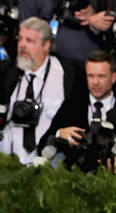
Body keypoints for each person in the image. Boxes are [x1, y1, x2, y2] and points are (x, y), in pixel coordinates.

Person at [0, 17, 69, 165]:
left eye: (29, 41)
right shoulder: (7, 73)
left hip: (48, 166)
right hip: (7, 164)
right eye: (20, 40)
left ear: (46, 45)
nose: (22, 45)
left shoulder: (66, 75)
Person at [44, 49, 116, 149]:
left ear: (113, 78)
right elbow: (42, 144)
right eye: (91, 76)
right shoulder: (72, 105)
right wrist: (59, 134)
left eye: (101, 76)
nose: (95, 82)